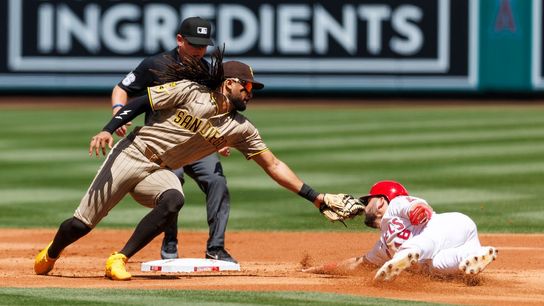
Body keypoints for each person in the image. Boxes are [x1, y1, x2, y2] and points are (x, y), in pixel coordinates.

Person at [34, 57, 355, 281]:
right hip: (131, 154)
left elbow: (272, 164)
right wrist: (108, 127)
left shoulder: (240, 129)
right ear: (229, 84)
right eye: (247, 86)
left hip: (158, 171)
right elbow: (142, 102)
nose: (251, 92)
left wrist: (316, 198)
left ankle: (118, 258)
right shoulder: (190, 92)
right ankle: (52, 252)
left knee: (174, 199)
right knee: (80, 225)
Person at [111, 16, 234, 262]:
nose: (199, 50)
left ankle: (216, 248)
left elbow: (216, 107)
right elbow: (122, 88)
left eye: (203, 45)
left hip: (198, 142)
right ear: (179, 40)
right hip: (164, 144)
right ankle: (170, 242)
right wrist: (118, 112)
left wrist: (220, 137)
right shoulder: (155, 64)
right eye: (194, 44)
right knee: (172, 185)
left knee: (217, 182)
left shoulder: (207, 70)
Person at [302, 180, 498, 282]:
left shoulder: (396, 205)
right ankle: (474, 255)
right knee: (435, 266)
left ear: (380, 201)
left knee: (425, 243)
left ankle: (406, 255)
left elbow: (416, 206)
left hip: (450, 226)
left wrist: (418, 211)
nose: (363, 206)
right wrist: (313, 270)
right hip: (455, 245)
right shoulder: (382, 247)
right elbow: (356, 264)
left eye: (366, 201)